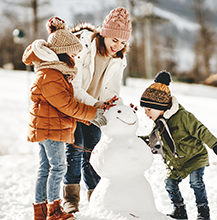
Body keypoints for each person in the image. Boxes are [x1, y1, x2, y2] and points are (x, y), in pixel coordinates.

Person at [22, 17, 111, 220]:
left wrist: (89, 117)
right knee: (59, 167)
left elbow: (65, 106)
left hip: (49, 126)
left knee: (46, 168)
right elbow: (67, 105)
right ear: (62, 52)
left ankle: (41, 211)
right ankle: (54, 211)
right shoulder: (51, 75)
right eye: (72, 53)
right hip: (50, 128)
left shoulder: (55, 72)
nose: (75, 57)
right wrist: (93, 113)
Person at [62, 7, 132, 214]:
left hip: (95, 111)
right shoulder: (83, 47)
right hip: (74, 106)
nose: (117, 46)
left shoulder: (118, 59)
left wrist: (121, 110)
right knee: (75, 150)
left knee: (93, 153)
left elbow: (113, 91)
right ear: (104, 33)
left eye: (123, 42)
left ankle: (96, 196)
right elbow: (74, 86)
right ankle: (71, 199)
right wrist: (95, 104)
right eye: (114, 40)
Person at [139, 71, 217, 220]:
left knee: (196, 183)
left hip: (195, 157)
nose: (146, 113)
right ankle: (180, 210)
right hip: (176, 162)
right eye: (144, 109)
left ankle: (203, 213)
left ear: (160, 106)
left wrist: (215, 145)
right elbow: (153, 141)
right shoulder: (159, 123)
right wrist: (134, 140)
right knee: (169, 184)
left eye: (148, 109)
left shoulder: (183, 116)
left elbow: (201, 130)